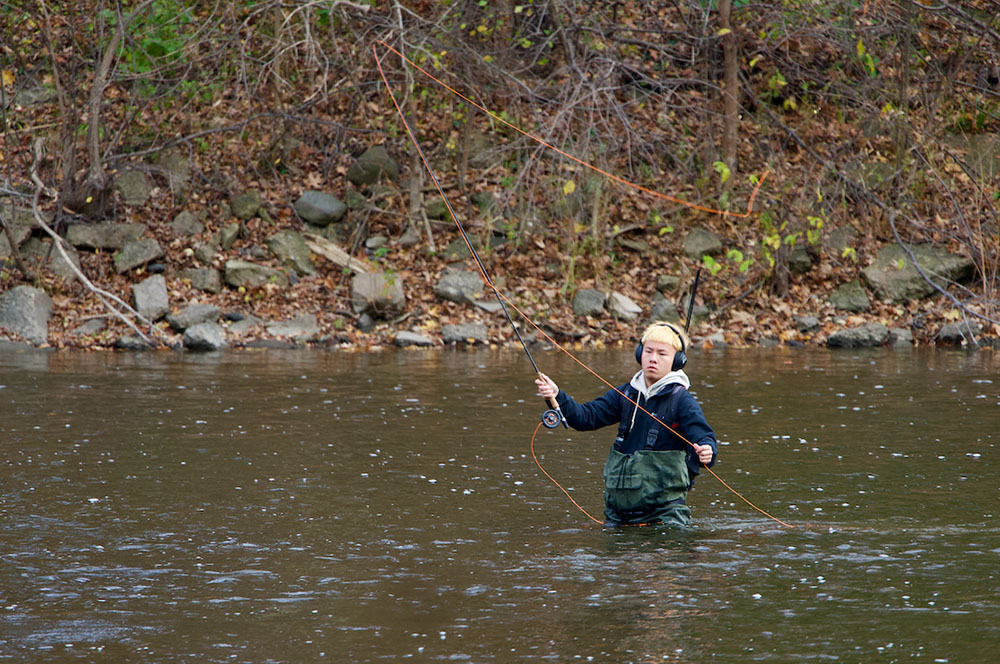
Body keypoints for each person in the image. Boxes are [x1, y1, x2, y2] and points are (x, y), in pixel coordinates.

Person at [535, 321, 717, 526]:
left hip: (664, 515)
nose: (653, 358)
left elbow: (704, 438)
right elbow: (585, 417)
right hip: (618, 512)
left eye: (662, 354)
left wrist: (707, 450)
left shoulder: (682, 400)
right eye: (648, 351)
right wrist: (557, 395)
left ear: (677, 360)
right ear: (640, 353)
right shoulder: (626, 394)